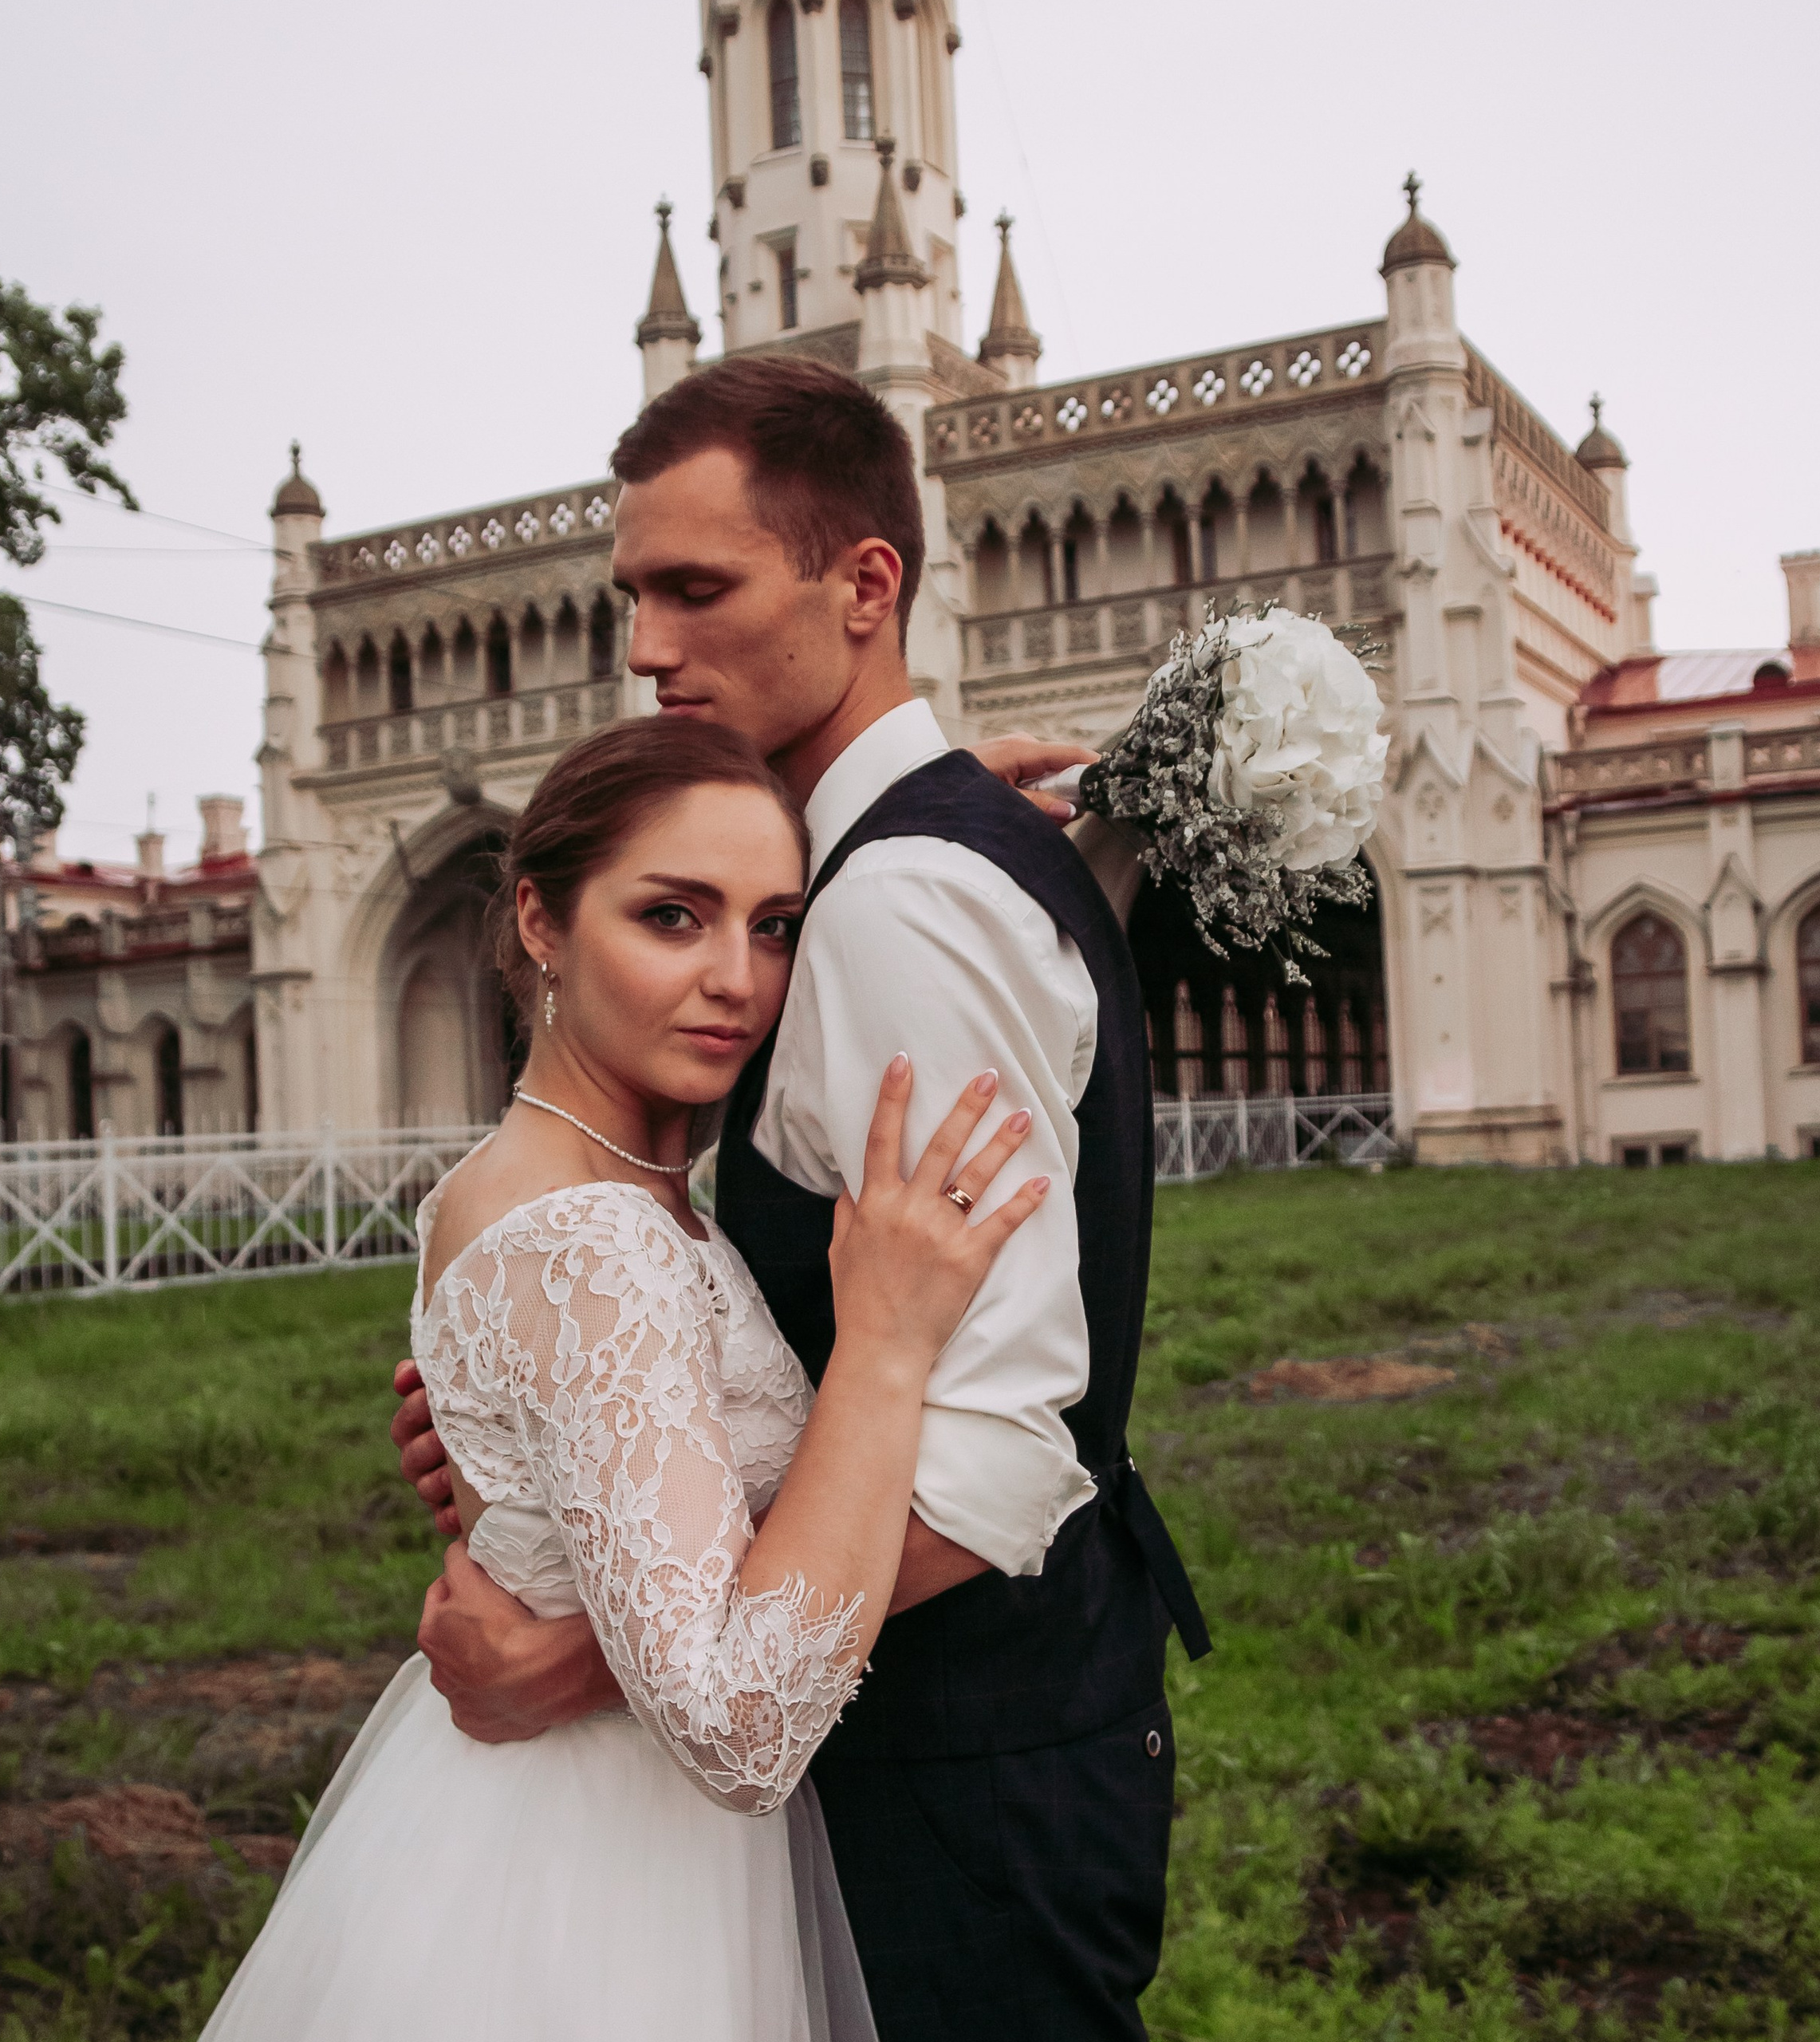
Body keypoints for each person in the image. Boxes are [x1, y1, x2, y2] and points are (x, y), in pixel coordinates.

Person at [394, 355, 1209, 2040]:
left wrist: (593, 1650)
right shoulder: (882, 863)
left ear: (863, 586)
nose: (643, 644)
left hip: (956, 1766)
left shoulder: (902, 893)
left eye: (697, 588)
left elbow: (997, 1431)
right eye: (633, 592)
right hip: (898, 1755)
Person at [202, 717, 1049, 2042]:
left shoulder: (563, 1189)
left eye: (775, 926)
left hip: (558, 1831)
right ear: (539, 921)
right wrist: (884, 1344)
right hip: (599, 1893)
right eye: (671, 916)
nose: (737, 980)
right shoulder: (592, 1238)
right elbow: (736, 1728)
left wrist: (955, 813)